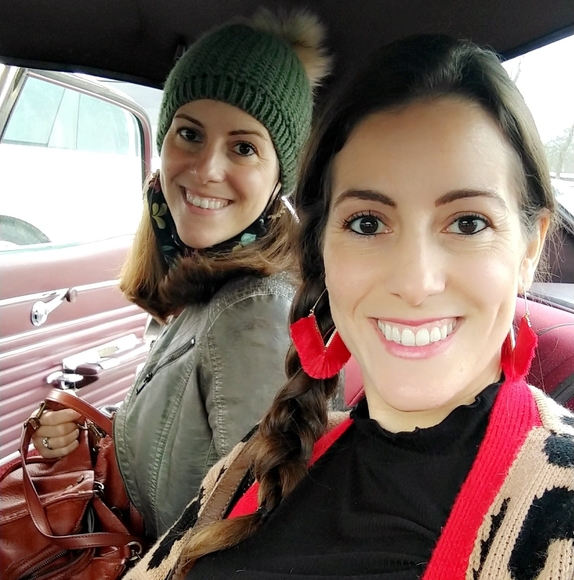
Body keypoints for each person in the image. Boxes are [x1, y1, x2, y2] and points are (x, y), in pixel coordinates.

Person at [123, 34, 574, 579]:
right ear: (323, 249)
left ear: (529, 247)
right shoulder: (258, 459)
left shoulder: (559, 501)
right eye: (367, 223)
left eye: (468, 223)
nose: (415, 282)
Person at [29, 8, 331, 541]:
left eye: (243, 147)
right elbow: (180, 445)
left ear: (277, 178)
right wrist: (97, 432)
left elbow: (257, 540)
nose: (206, 168)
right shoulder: (208, 281)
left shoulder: (254, 313)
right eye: (190, 134)